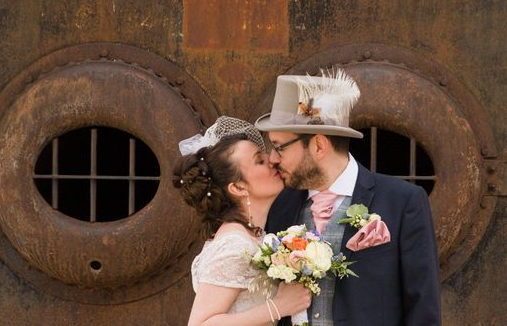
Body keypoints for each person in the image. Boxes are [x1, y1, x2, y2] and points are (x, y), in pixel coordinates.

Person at [255, 69, 441, 326]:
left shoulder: (403, 202)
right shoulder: (281, 205)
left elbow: (423, 308)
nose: (273, 159)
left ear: (319, 145)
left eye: (278, 147)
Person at [173, 116, 312, 326]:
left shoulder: (252, 235)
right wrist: (278, 307)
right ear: (238, 188)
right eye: (259, 160)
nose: (272, 161)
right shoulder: (235, 245)